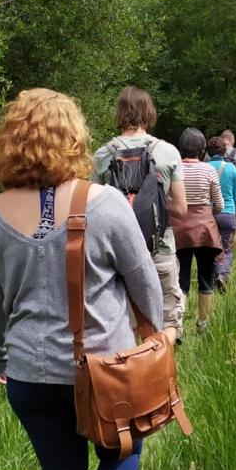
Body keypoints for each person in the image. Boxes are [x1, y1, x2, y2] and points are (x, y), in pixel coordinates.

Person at [0, 88, 163, 470]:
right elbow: (145, 284)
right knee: (122, 452)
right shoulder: (102, 202)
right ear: (74, 138)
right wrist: (160, 334)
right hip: (104, 369)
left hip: (30, 375)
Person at [92, 85, 187, 346]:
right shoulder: (168, 152)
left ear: (120, 113)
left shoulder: (102, 156)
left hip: (115, 257)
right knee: (168, 322)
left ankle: (131, 380)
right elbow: (180, 209)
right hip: (160, 249)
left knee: (125, 326)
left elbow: (92, 210)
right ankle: (160, 376)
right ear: (149, 112)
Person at [170, 127, 223, 334]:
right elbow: (218, 204)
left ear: (180, 148)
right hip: (204, 231)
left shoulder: (174, 168)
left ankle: (178, 324)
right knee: (206, 277)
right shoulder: (209, 170)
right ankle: (202, 324)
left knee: (180, 278)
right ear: (202, 149)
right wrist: (208, 211)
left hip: (179, 229)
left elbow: (168, 200)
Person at [205, 135, 236, 292]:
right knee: (227, 249)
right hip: (228, 215)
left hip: (209, 215)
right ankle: (222, 275)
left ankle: (209, 279)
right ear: (224, 150)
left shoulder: (205, 167)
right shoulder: (232, 169)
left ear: (208, 152)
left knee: (210, 248)